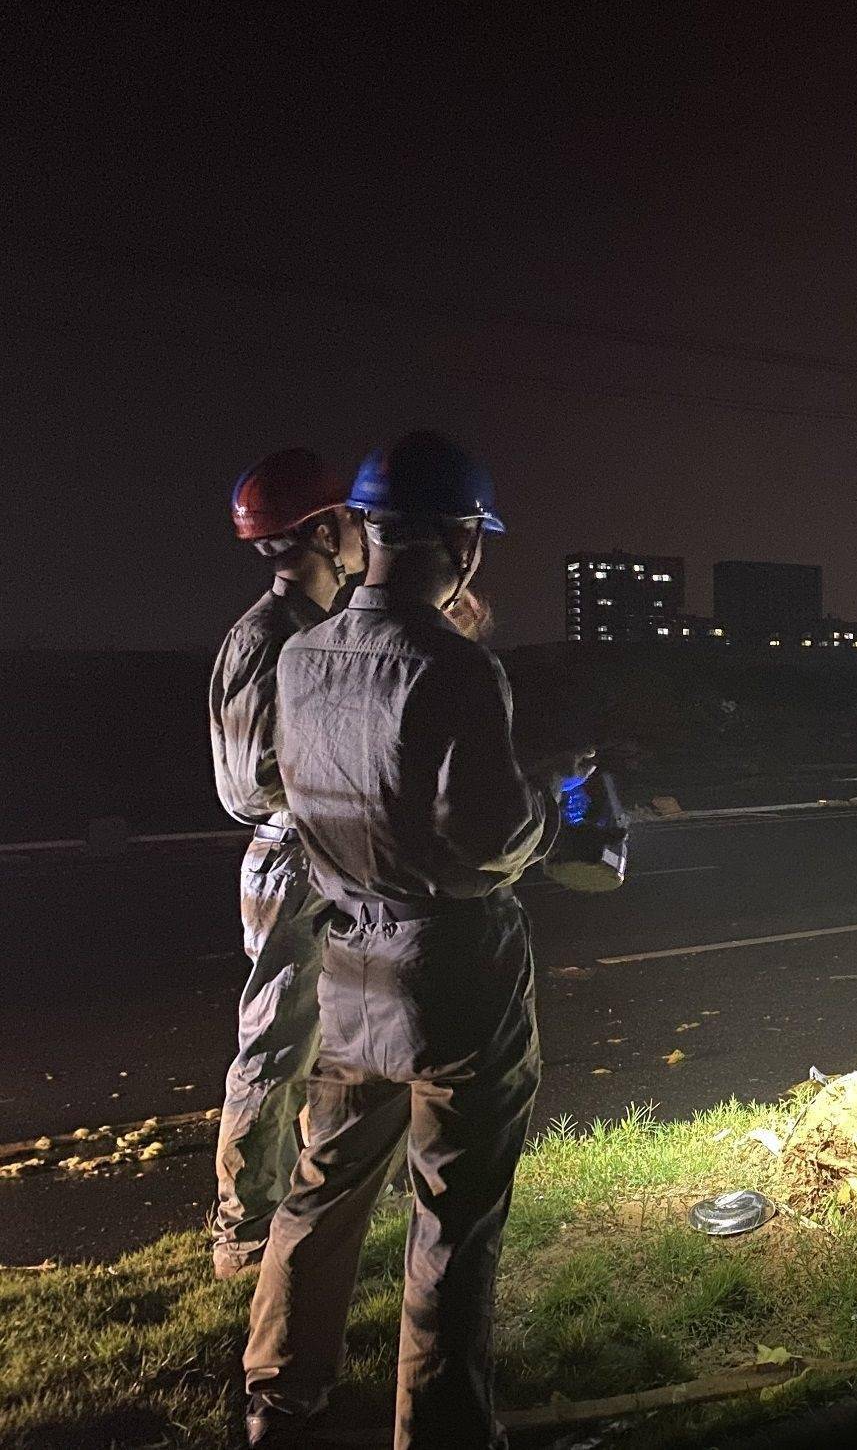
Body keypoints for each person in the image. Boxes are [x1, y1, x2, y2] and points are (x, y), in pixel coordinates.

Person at [243, 431, 558, 1449]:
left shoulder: (299, 656)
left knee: (321, 1189)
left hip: (345, 964)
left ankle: (277, 1398)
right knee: (453, 1221)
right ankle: (440, 1429)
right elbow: (487, 841)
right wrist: (552, 814)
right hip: (451, 976)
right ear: (464, 541)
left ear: (369, 531)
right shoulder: (455, 666)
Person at [209, 448, 365, 1280]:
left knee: (332, 1050)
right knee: (276, 1048)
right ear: (321, 531)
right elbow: (249, 782)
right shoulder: (269, 637)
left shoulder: (320, 628)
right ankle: (243, 1234)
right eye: (350, 519)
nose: (363, 533)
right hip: (293, 859)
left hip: (326, 857)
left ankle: (311, 1212)